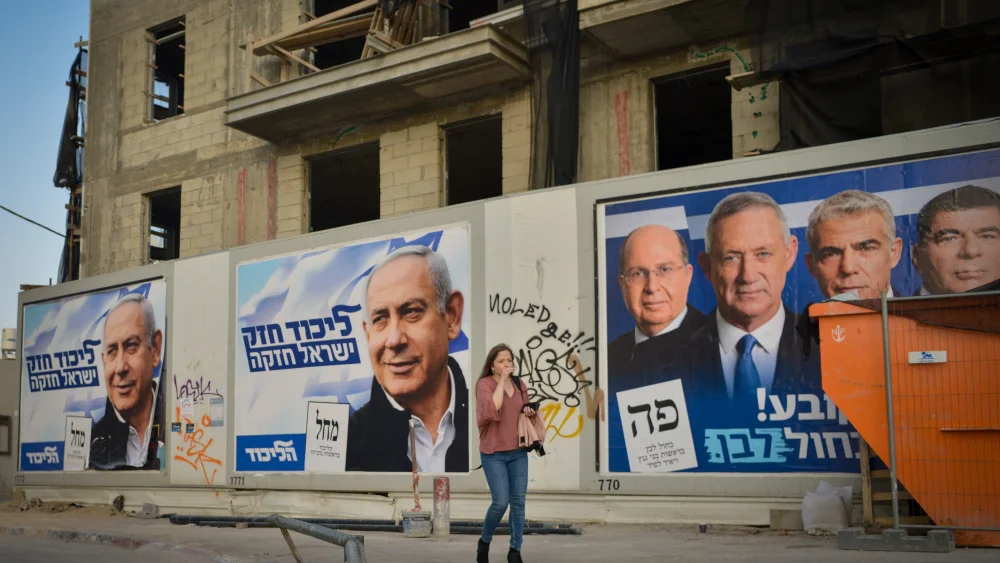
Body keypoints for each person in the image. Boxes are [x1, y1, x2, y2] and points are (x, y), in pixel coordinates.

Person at [346, 245, 469, 473]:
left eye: (411, 311)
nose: (394, 340)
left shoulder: (491, 421)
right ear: (368, 332)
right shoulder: (348, 444)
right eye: (380, 318)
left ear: (452, 316)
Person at [692, 191, 820, 403]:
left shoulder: (826, 348)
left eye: (763, 254)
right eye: (731, 258)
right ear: (707, 267)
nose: (748, 276)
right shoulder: (668, 355)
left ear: (789, 253)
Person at [606, 224, 715, 471]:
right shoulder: (606, 359)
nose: (652, 287)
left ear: (688, 275)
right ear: (621, 284)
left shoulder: (723, 349)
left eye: (664, 270)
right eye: (637, 273)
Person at [476, 343, 537, 563]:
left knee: (518, 502)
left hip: (518, 451)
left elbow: (522, 411)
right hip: (494, 454)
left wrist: (529, 411)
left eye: (509, 361)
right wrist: (501, 381)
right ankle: (484, 541)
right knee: (500, 502)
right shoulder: (484, 385)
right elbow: (492, 411)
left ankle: (515, 551)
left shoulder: (520, 383)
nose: (507, 364)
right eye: (501, 361)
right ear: (492, 365)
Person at [90, 293, 166, 470]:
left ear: (155, 349)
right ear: (104, 361)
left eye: (131, 346)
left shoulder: (174, 425)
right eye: (112, 351)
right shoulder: (93, 446)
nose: (120, 367)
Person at [805, 190, 903, 300]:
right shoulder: (801, 318)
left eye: (866, 248)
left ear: (894, 253)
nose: (848, 268)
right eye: (831, 254)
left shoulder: (924, 316)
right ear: (812, 266)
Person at [912, 184, 1000, 295]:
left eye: (987, 236)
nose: (970, 251)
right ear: (917, 257)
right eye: (950, 238)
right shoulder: (892, 311)